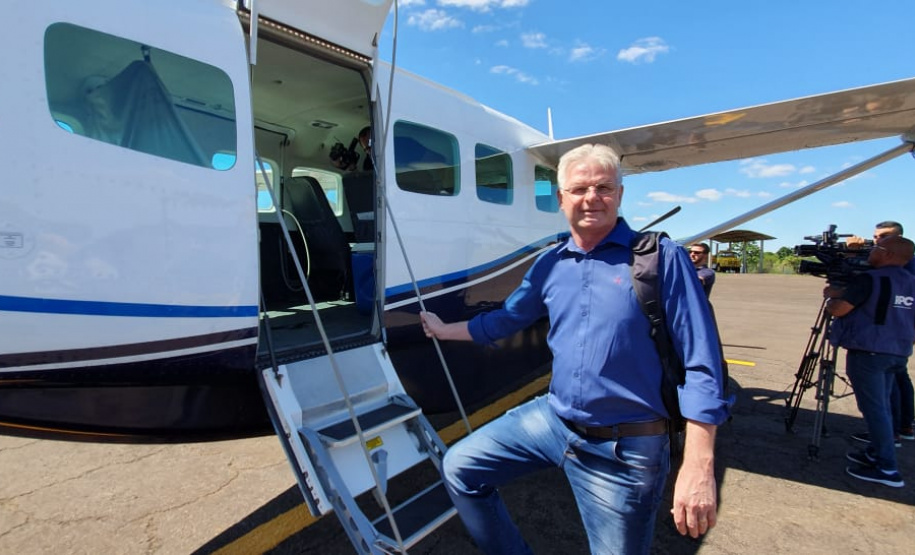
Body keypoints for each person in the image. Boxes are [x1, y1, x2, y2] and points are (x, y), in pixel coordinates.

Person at [420, 144, 730, 554]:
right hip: (553, 422)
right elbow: (505, 320)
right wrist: (445, 330)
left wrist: (698, 465)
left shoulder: (660, 260)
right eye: (579, 188)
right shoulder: (550, 264)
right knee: (460, 468)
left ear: (619, 196)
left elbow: (703, 364)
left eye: (603, 187)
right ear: (561, 198)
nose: (591, 198)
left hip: (625, 449)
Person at [824, 235, 915, 488]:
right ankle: (878, 452)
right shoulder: (911, 281)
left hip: (869, 352)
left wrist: (831, 298)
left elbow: (840, 309)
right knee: (883, 406)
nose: (871, 252)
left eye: (876, 248)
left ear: (887, 254)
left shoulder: (871, 279)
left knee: (875, 410)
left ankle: (888, 469)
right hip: (898, 351)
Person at [847, 221, 915, 443]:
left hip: (881, 342)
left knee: (887, 392)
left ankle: (891, 435)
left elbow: (865, 286)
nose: (877, 242)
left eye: (884, 237)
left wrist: (853, 255)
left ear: (898, 240)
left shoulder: (902, 267)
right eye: (876, 237)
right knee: (897, 381)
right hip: (895, 340)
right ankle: (901, 426)